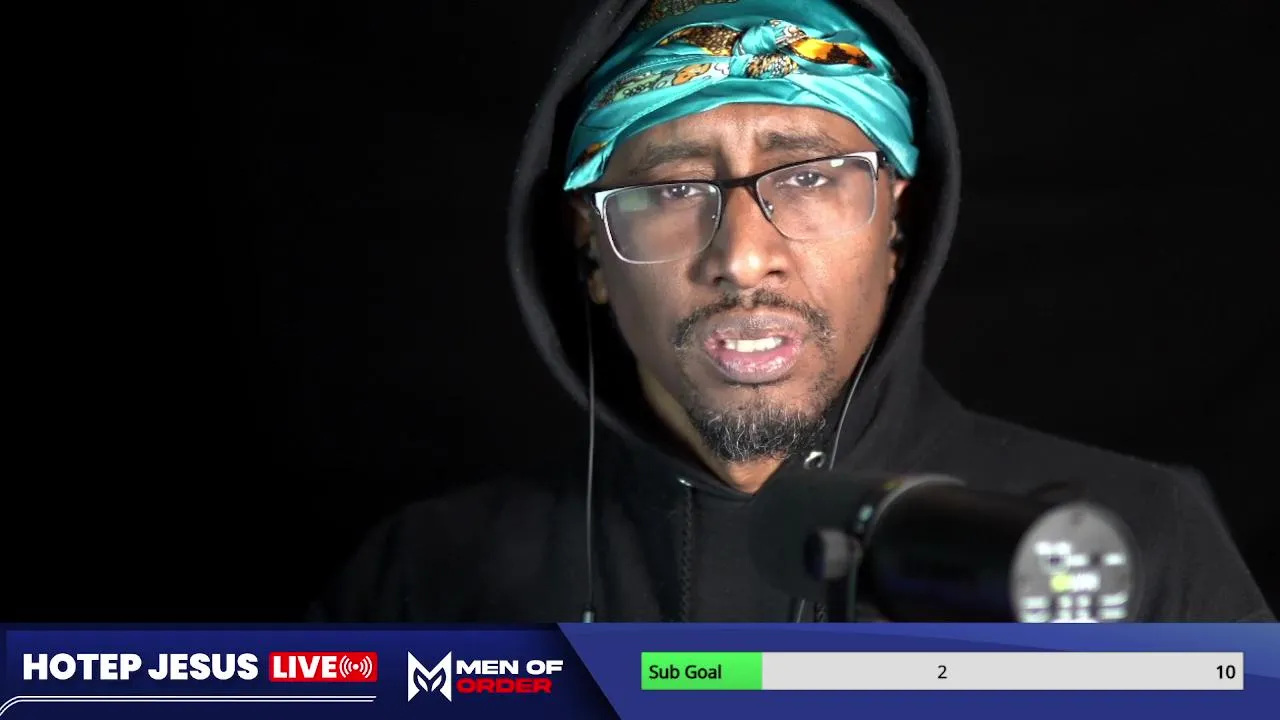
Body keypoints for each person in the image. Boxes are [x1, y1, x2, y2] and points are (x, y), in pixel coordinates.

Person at [310, 0, 1273, 622]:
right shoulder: (425, 577)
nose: (742, 257)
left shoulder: (1142, 543)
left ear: (898, 223)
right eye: (673, 188)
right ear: (591, 251)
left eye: (809, 177)